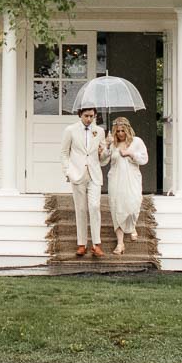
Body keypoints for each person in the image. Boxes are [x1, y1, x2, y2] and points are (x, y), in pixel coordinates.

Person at [60, 105, 108, 258]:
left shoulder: (99, 131)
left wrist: (106, 150)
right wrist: (68, 171)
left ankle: (96, 244)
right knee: (80, 208)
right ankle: (82, 244)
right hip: (77, 174)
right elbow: (64, 153)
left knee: (94, 206)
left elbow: (103, 159)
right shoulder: (70, 130)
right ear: (80, 115)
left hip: (94, 174)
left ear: (95, 116)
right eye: (86, 116)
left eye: (91, 116)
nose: (89, 119)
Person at [104, 116, 149, 255]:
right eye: (117, 131)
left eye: (123, 131)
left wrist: (131, 153)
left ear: (128, 130)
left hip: (132, 179)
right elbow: (102, 161)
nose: (120, 134)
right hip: (115, 180)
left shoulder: (137, 142)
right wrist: (105, 146)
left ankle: (132, 226)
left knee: (133, 204)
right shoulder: (112, 143)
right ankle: (120, 243)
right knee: (117, 208)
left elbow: (144, 159)